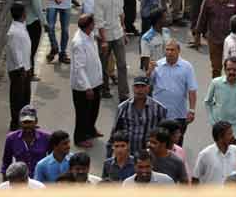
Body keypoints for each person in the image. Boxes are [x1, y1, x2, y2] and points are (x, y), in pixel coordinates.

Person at [150, 39, 198, 145]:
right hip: (159, 114)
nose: (169, 52)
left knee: (176, 145)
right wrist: (149, 71)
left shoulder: (187, 67)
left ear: (178, 51)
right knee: (159, 144)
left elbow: (192, 90)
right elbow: (148, 86)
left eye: (172, 50)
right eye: (167, 50)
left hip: (178, 115)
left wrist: (192, 110)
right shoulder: (157, 65)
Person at [109, 76, 167, 157]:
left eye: (143, 86)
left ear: (148, 88)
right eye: (137, 86)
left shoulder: (159, 108)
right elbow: (114, 131)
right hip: (128, 154)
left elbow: (163, 133)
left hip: (149, 155)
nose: (140, 90)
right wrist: (109, 154)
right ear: (133, 88)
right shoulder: (123, 107)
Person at [69, 14, 103, 149]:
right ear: (89, 26)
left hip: (95, 80)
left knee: (94, 108)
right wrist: (87, 87)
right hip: (84, 86)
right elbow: (79, 68)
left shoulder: (89, 35)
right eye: (93, 23)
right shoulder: (79, 42)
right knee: (82, 112)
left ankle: (90, 130)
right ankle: (80, 137)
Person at [204, 57, 236, 137]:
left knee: (235, 149)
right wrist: (212, 122)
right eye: (228, 69)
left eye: (234, 70)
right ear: (224, 70)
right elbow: (207, 102)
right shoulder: (216, 83)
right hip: (220, 127)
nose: (231, 72)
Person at [0, 105, 50, 177]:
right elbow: (6, 163)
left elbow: (52, 161)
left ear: (36, 121)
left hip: (40, 180)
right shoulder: (11, 138)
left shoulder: (46, 138)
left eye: (30, 122)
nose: (27, 125)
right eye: (24, 122)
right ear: (20, 122)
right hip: (20, 181)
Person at [5, 3, 31, 131]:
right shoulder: (14, 32)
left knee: (25, 97)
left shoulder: (20, 26)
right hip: (18, 70)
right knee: (17, 98)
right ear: (22, 14)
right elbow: (15, 51)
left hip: (25, 68)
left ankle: (26, 123)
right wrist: (21, 68)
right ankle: (16, 124)